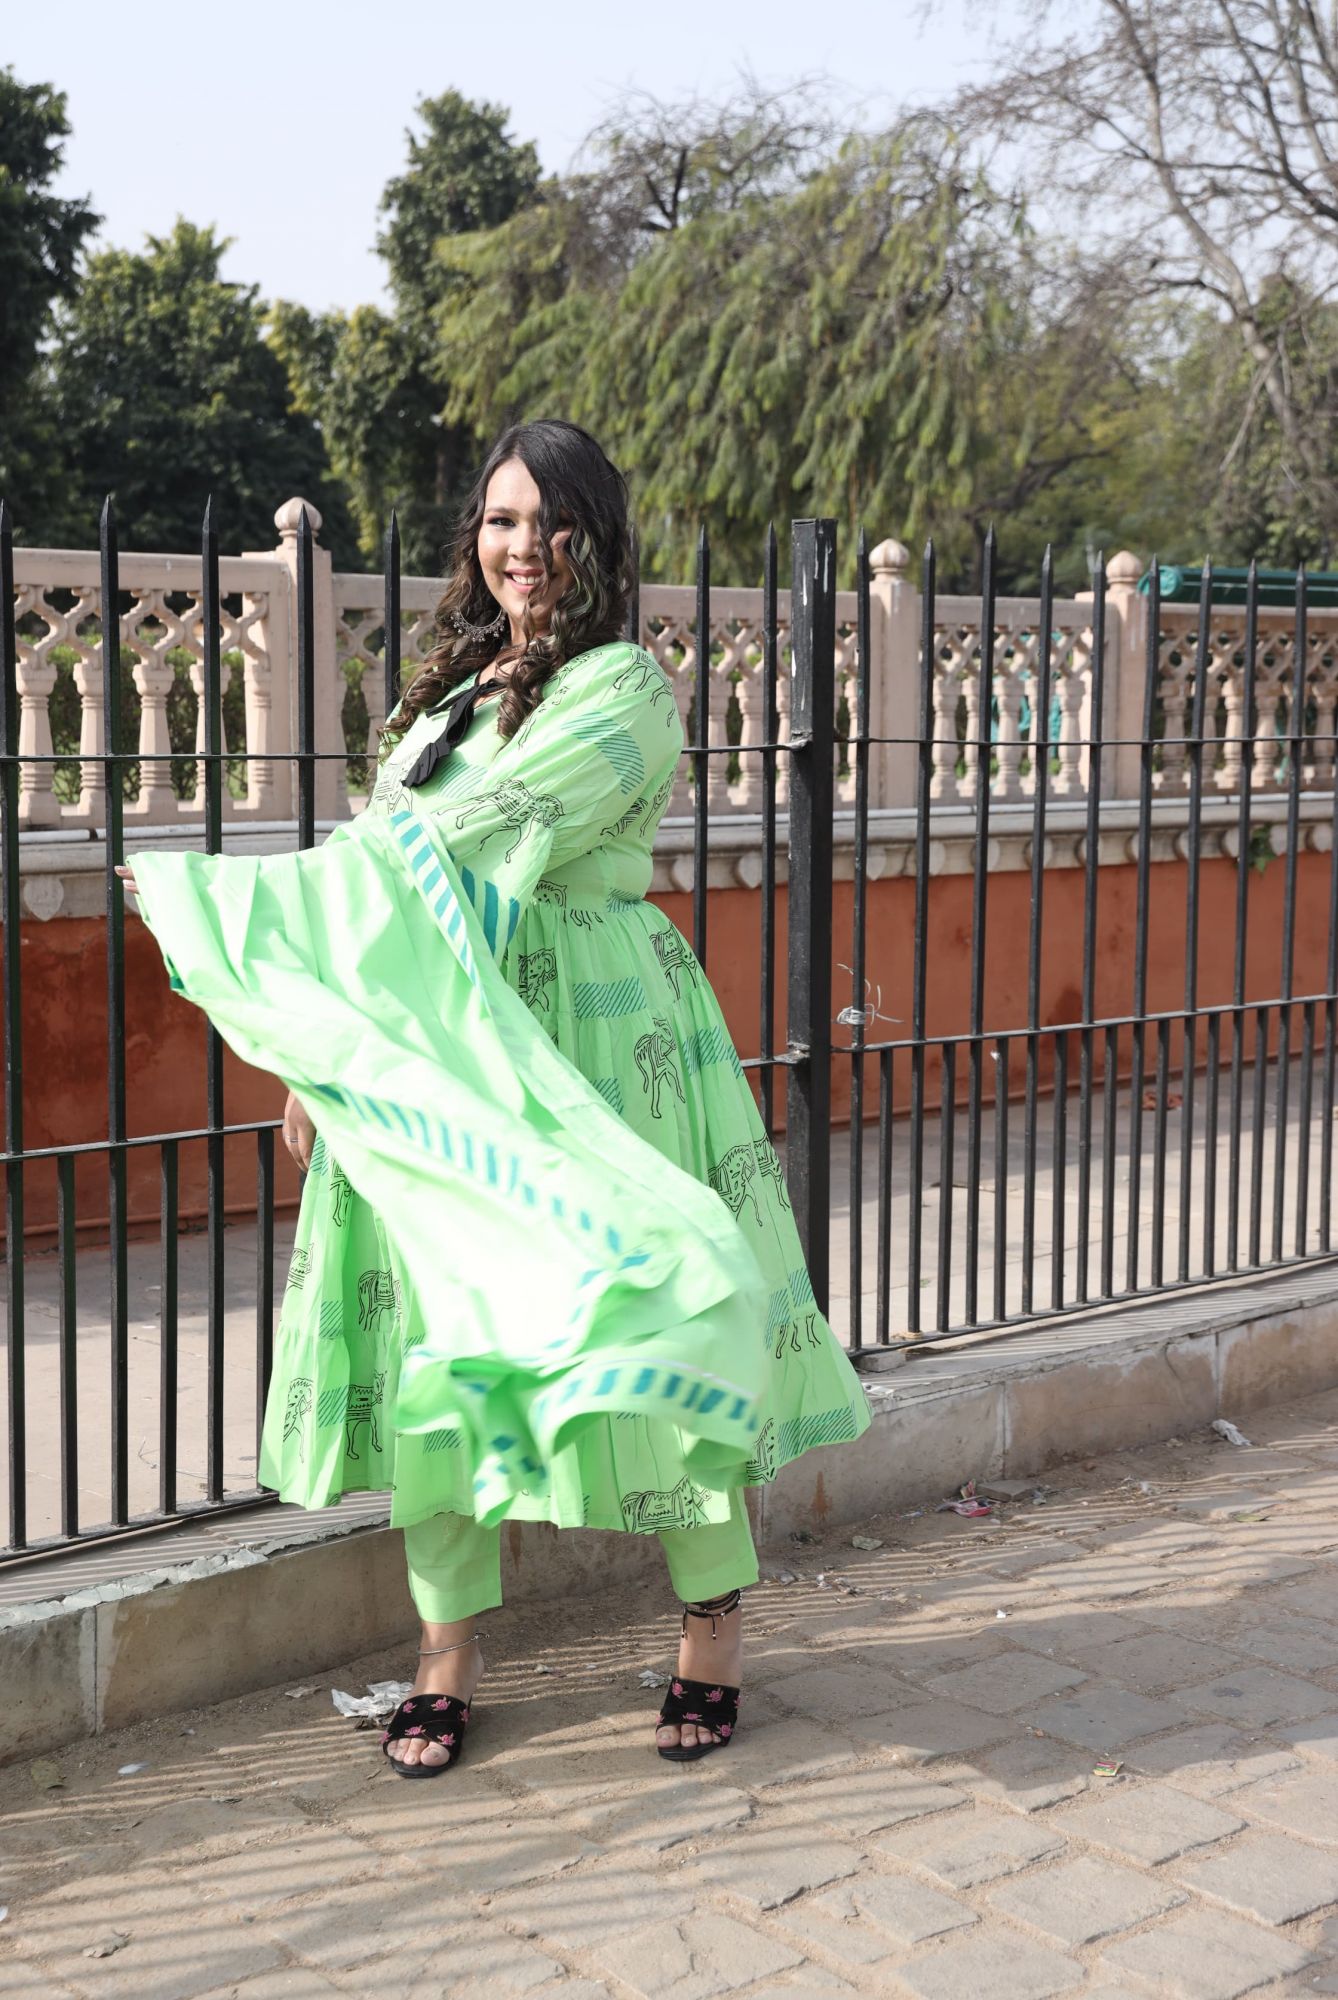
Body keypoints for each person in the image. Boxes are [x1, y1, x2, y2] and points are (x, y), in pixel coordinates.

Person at [123, 419, 870, 1779]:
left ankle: (709, 1627)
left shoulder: (623, 688)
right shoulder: (445, 694)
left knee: (648, 1301)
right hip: (431, 1049)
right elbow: (383, 867)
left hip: (590, 1036)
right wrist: (311, 1060)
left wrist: (221, 903)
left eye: (553, 522)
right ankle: (446, 1653)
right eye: (503, 521)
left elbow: (464, 839)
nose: (524, 548)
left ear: (599, 536)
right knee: (438, 1341)